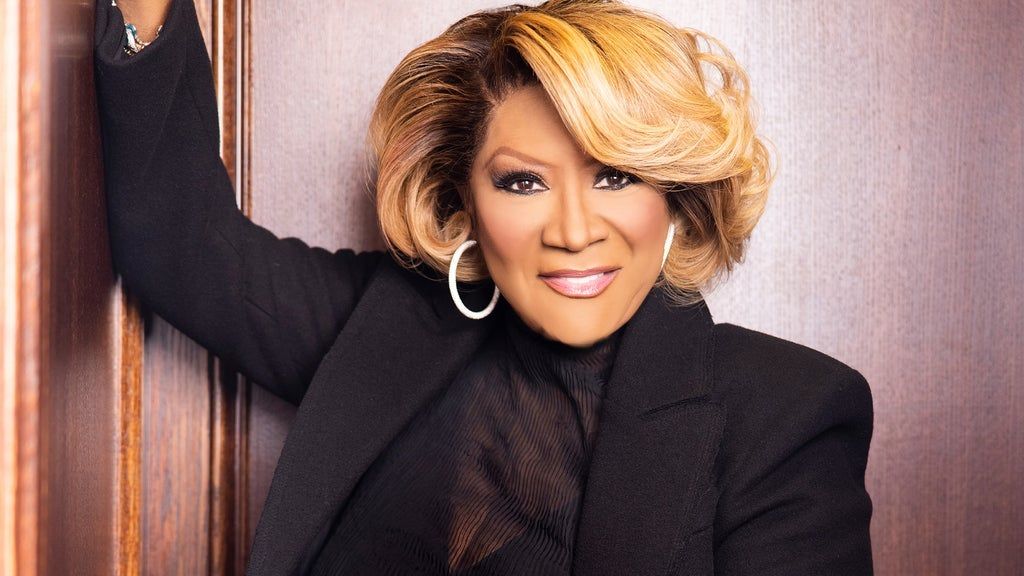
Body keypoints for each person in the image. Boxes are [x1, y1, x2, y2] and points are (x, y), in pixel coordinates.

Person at [94, 0, 875, 574]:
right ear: (464, 199)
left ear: (672, 194)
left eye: (615, 175)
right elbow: (179, 243)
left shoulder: (787, 412)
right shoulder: (384, 329)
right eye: (524, 182)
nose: (574, 229)